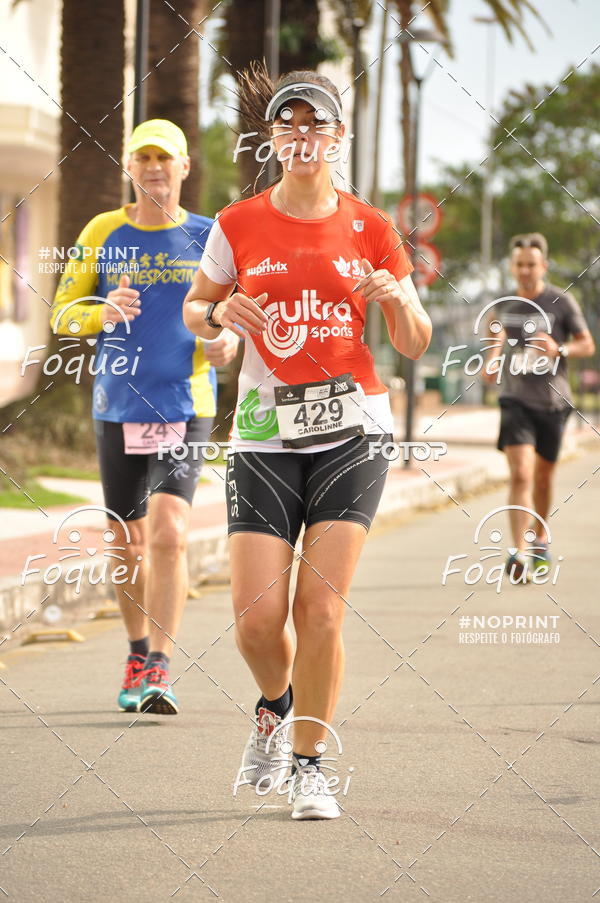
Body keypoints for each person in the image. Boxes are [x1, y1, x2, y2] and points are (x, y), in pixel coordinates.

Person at [183, 65, 431, 819]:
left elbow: (415, 342)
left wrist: (396, 301)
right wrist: (220, 315)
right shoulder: (238, 223)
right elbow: (196, 306)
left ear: (337, 137)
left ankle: (310, 764)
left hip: (353, 429)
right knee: (257, 623)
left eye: (316, 125)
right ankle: (274, 704)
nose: (302, 136)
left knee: (319, 610)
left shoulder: (371, 228)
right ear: (272, 139)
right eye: (288, 125)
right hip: (264, 430)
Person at [50, 119, 239, 714]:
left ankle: (160, 662)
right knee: (125, 539)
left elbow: (232, 318)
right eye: (143, 158)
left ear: (184, 167)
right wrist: (100, 311)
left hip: (185, 406)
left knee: (169, 532)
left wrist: (226, 344)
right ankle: (136, 652)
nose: (154, 167)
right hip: (118, 406)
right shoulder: (102, 231)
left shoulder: (208, 235)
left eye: (165, 158)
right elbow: (62, 314)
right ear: (129, 167)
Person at [483, 233, 595, 577]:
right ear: (512, 266)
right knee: (521, 473)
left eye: (531, 265)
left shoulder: (561, 301)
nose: (525, 271)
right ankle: (517, 552)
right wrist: (491, 359)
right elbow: (496, 335)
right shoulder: (503, 303)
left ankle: (540, 537)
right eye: (519, 265)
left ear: (543, 265)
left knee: (543, 479)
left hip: (552, 402)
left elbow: (587, 344)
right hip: (515, 398)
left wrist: (559, 349)